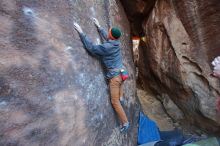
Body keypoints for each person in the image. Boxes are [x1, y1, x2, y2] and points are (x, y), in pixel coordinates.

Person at [73, 18, 129, 132]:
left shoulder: (107, 47)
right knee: (120, 88)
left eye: (109, 31)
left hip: (115, 78)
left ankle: (125, 122)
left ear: (111, 35)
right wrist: (99, 27)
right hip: (122, 73)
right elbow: (109, 38)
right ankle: (121, 97)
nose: (108, 32)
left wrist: (81, 33)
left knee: (114, 102)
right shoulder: (116, 42)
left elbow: (92, 49)